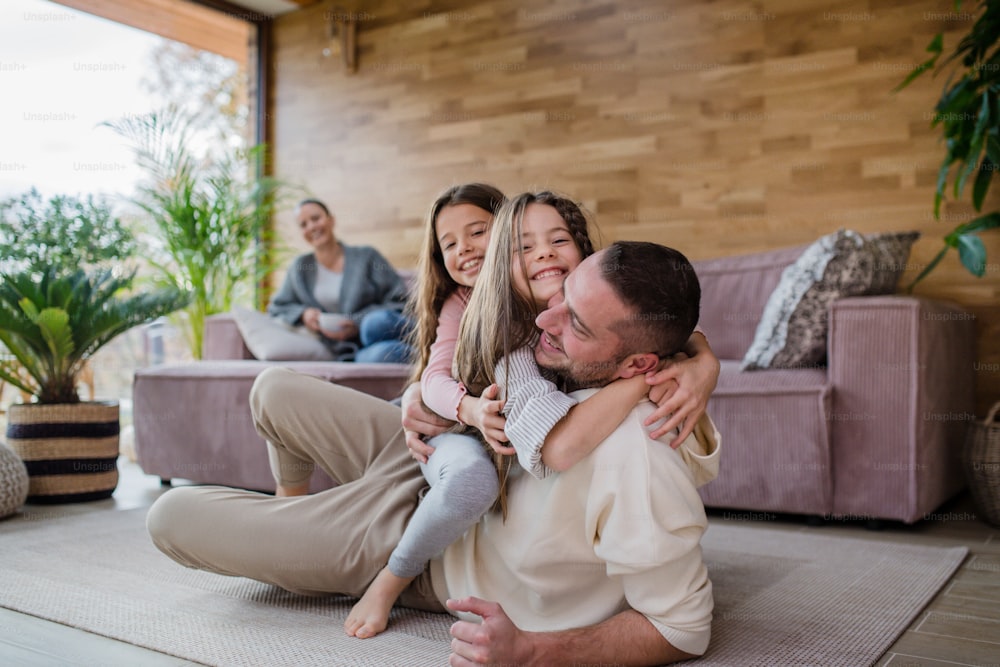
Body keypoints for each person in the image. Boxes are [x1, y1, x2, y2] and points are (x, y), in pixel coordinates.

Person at [146, 238, 720, 666]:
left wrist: (532, 652)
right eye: (562, 297)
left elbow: (681, 629)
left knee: (170, 516)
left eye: (575, 324)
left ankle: (320, 534)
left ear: (640, 364)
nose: (544, 317)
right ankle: (296, 512)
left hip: (429, 548)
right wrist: (702, 357)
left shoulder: (643, 452)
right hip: (447, 458)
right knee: (272, 387)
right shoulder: (638, 362)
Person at [343, 189, 720, 639]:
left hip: (475, 467)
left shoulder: (608, 309)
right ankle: (393, 576)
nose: (543, 252)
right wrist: (645, 378)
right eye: (523, 246)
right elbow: (554, 444)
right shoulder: (509, 335)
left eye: (558, 240)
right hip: (452, 438)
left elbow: (659, 325)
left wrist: (700, 356)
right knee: (463, 474)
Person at [267, 198, 411, 363]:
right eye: (303, 224)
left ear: (331, 220)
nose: (311, 227)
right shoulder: (300, 268)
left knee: (374, 324)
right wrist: (303, 314)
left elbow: (400, 300)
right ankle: (431, 357)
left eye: (315, 218)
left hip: (380, 329)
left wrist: (357, 322)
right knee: (385, 354)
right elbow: (277, 307)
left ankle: (429, 340)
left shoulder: (366, 256)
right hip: (351, 351)